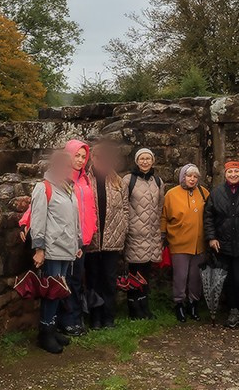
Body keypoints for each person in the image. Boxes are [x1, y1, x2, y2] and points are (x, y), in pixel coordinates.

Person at [29, 150, 81, 354]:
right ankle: (45, 333)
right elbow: (38, 220)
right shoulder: (44, 188)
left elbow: (73, 218)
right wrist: (39, 249)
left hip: (67, 249)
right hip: (52, 250)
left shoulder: (69, 188)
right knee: (51, 292)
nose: (65, 169)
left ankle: (51, 328)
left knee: (60, 292)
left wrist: (77, 243)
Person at [204, 159, 239, 328]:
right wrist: (212, 237)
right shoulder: (217, 192)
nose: (233, 174)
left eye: (236, 171)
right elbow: (209, 216)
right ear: (225, 174)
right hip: (223, 242)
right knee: (229, 279)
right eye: (230, 172)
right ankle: (233, 310)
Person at [85, 140, 128, 329]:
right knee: (93, 279)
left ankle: (109, 317)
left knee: (110, 280)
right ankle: (95, 317)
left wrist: (123, 228)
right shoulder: (85, 180)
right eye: (97, 157)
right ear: (92, 158)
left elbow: (125, 208)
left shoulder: (118, 182)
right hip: (93, 240)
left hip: (112, 240)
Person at [161, 163, 209, 322]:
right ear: (183, 177)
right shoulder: (171, 194)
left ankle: (193, 303)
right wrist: (163, 234)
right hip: (179, 242)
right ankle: (179, 304)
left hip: (199, 244)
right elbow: (164, 216)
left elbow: (210, 215)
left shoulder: (204, 193)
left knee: (196, 277)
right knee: (180, 276)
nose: (192, 179)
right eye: (189, 176)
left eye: (195, 177)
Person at [60, 139, 98, 336]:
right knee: (66, 280)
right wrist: (26, 222)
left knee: (76, 280)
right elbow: (44, 200)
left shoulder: (84, 179)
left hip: (82, 240)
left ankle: (76, 318)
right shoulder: (61, 177)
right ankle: (68, 320)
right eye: (77, 155)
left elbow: (89, 208)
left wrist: (90, 232)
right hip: (66, 239)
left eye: (84, 156)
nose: (81, 160)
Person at [122, 147, 164, 319]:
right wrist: (127, 228)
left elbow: (160, 206)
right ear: (136, 161)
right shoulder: (128, 180)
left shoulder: (158, 181)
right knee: (134, 272)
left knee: (146, 272)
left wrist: (159, 231)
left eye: (148, 158)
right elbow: (124, 206)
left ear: (153, 161)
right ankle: (134, 307)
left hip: (151, 234)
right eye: (142, 158)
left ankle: (144, 306)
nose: (145, 161)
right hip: (135, 233)